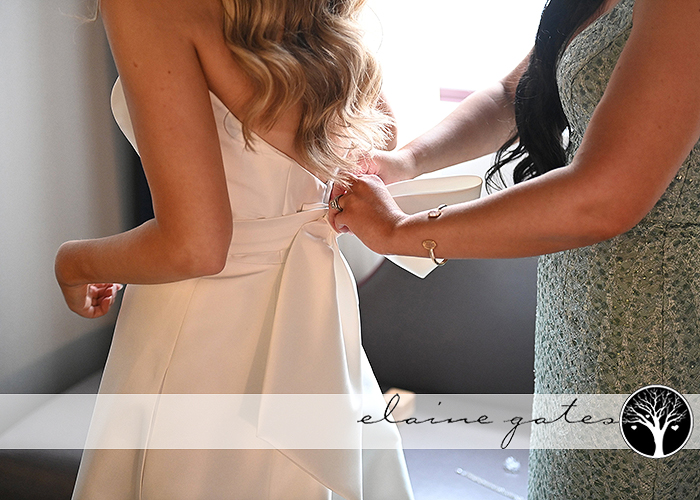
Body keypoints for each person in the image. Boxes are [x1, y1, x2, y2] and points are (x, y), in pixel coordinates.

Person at [330, 0, 700, 497]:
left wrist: (401, 232)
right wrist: (405, 161)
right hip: (584, 305)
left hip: (661, 313)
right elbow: (515, 95)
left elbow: (604, 197)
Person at [54, 0, 414, 498]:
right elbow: (380, 140)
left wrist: (73, 262)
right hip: (315, 319)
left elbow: (195, 247)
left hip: (202, 333)